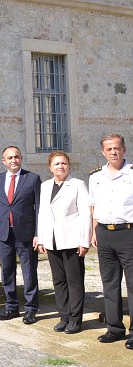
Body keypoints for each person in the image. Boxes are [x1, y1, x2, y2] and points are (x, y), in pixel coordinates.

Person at [36, 151, 90, 334]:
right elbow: (42, 214)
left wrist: (84, 241)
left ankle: (75, 319)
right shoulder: (44, 186)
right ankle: (64, 316)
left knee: (74, 281)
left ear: (69, 166)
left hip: (72, 240)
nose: (61, 166)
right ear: (50, 167)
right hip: (52, 241)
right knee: (59, 281)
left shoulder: (77, 185)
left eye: (64, 163)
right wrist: (42, 238)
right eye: (57, 164)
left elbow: (85, 215)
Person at [89, 133, 133, 349]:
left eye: (117, 148)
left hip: (128, 233)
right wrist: (94, 231)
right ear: (103, 152)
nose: (113, 152)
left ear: (124, 149)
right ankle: (114, 328)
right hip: (105, 234)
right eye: (109, 149)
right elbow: (93, 206)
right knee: (110, 284)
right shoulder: (95, 177)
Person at [0, 146, 41, 325]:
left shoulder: (33, 179)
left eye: (17, 157)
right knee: (7, 272)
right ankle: (11, 307)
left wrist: (37, 233)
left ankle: (30, 309)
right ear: (3, 161)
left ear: (21, 158)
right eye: (10, 157)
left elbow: (39, 208)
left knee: (29, 272)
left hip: (26, 234)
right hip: (4, 235)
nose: (14, 160)